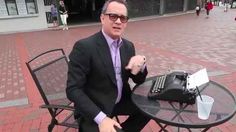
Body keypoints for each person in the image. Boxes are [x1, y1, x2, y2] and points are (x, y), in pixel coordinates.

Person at [66, 0, 150, 131]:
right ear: (102, 18)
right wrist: (102, 119)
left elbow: (139, 80)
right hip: (95, 108)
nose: (118, 21)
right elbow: (73, 89)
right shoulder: (84, 47)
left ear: (126, 22)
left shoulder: (128, 46)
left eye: (123, 18)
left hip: (120, 101)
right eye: (113, 16)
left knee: (149, 108)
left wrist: (141, 64)